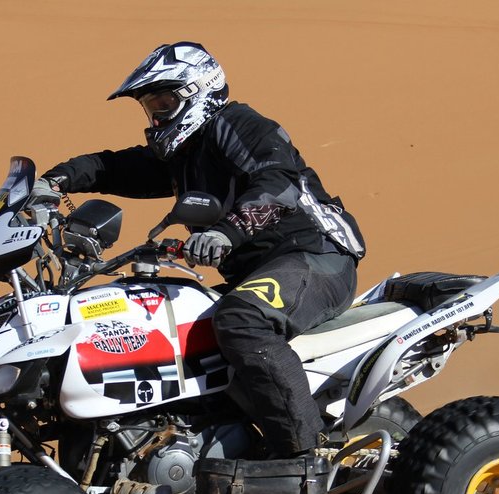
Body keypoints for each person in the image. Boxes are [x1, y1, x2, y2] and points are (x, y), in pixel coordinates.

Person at [32, 42, 365, 460]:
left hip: (315, 257)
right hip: (257, 272)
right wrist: (53, 182)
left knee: (242, 319)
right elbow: (113, 166)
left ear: (197, 92)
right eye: (150, 108)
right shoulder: (181, 156)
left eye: (164, 103)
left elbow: (279, 183)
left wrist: (229, 231)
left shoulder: (238, 125)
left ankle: (305, 456)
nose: (156, 118)